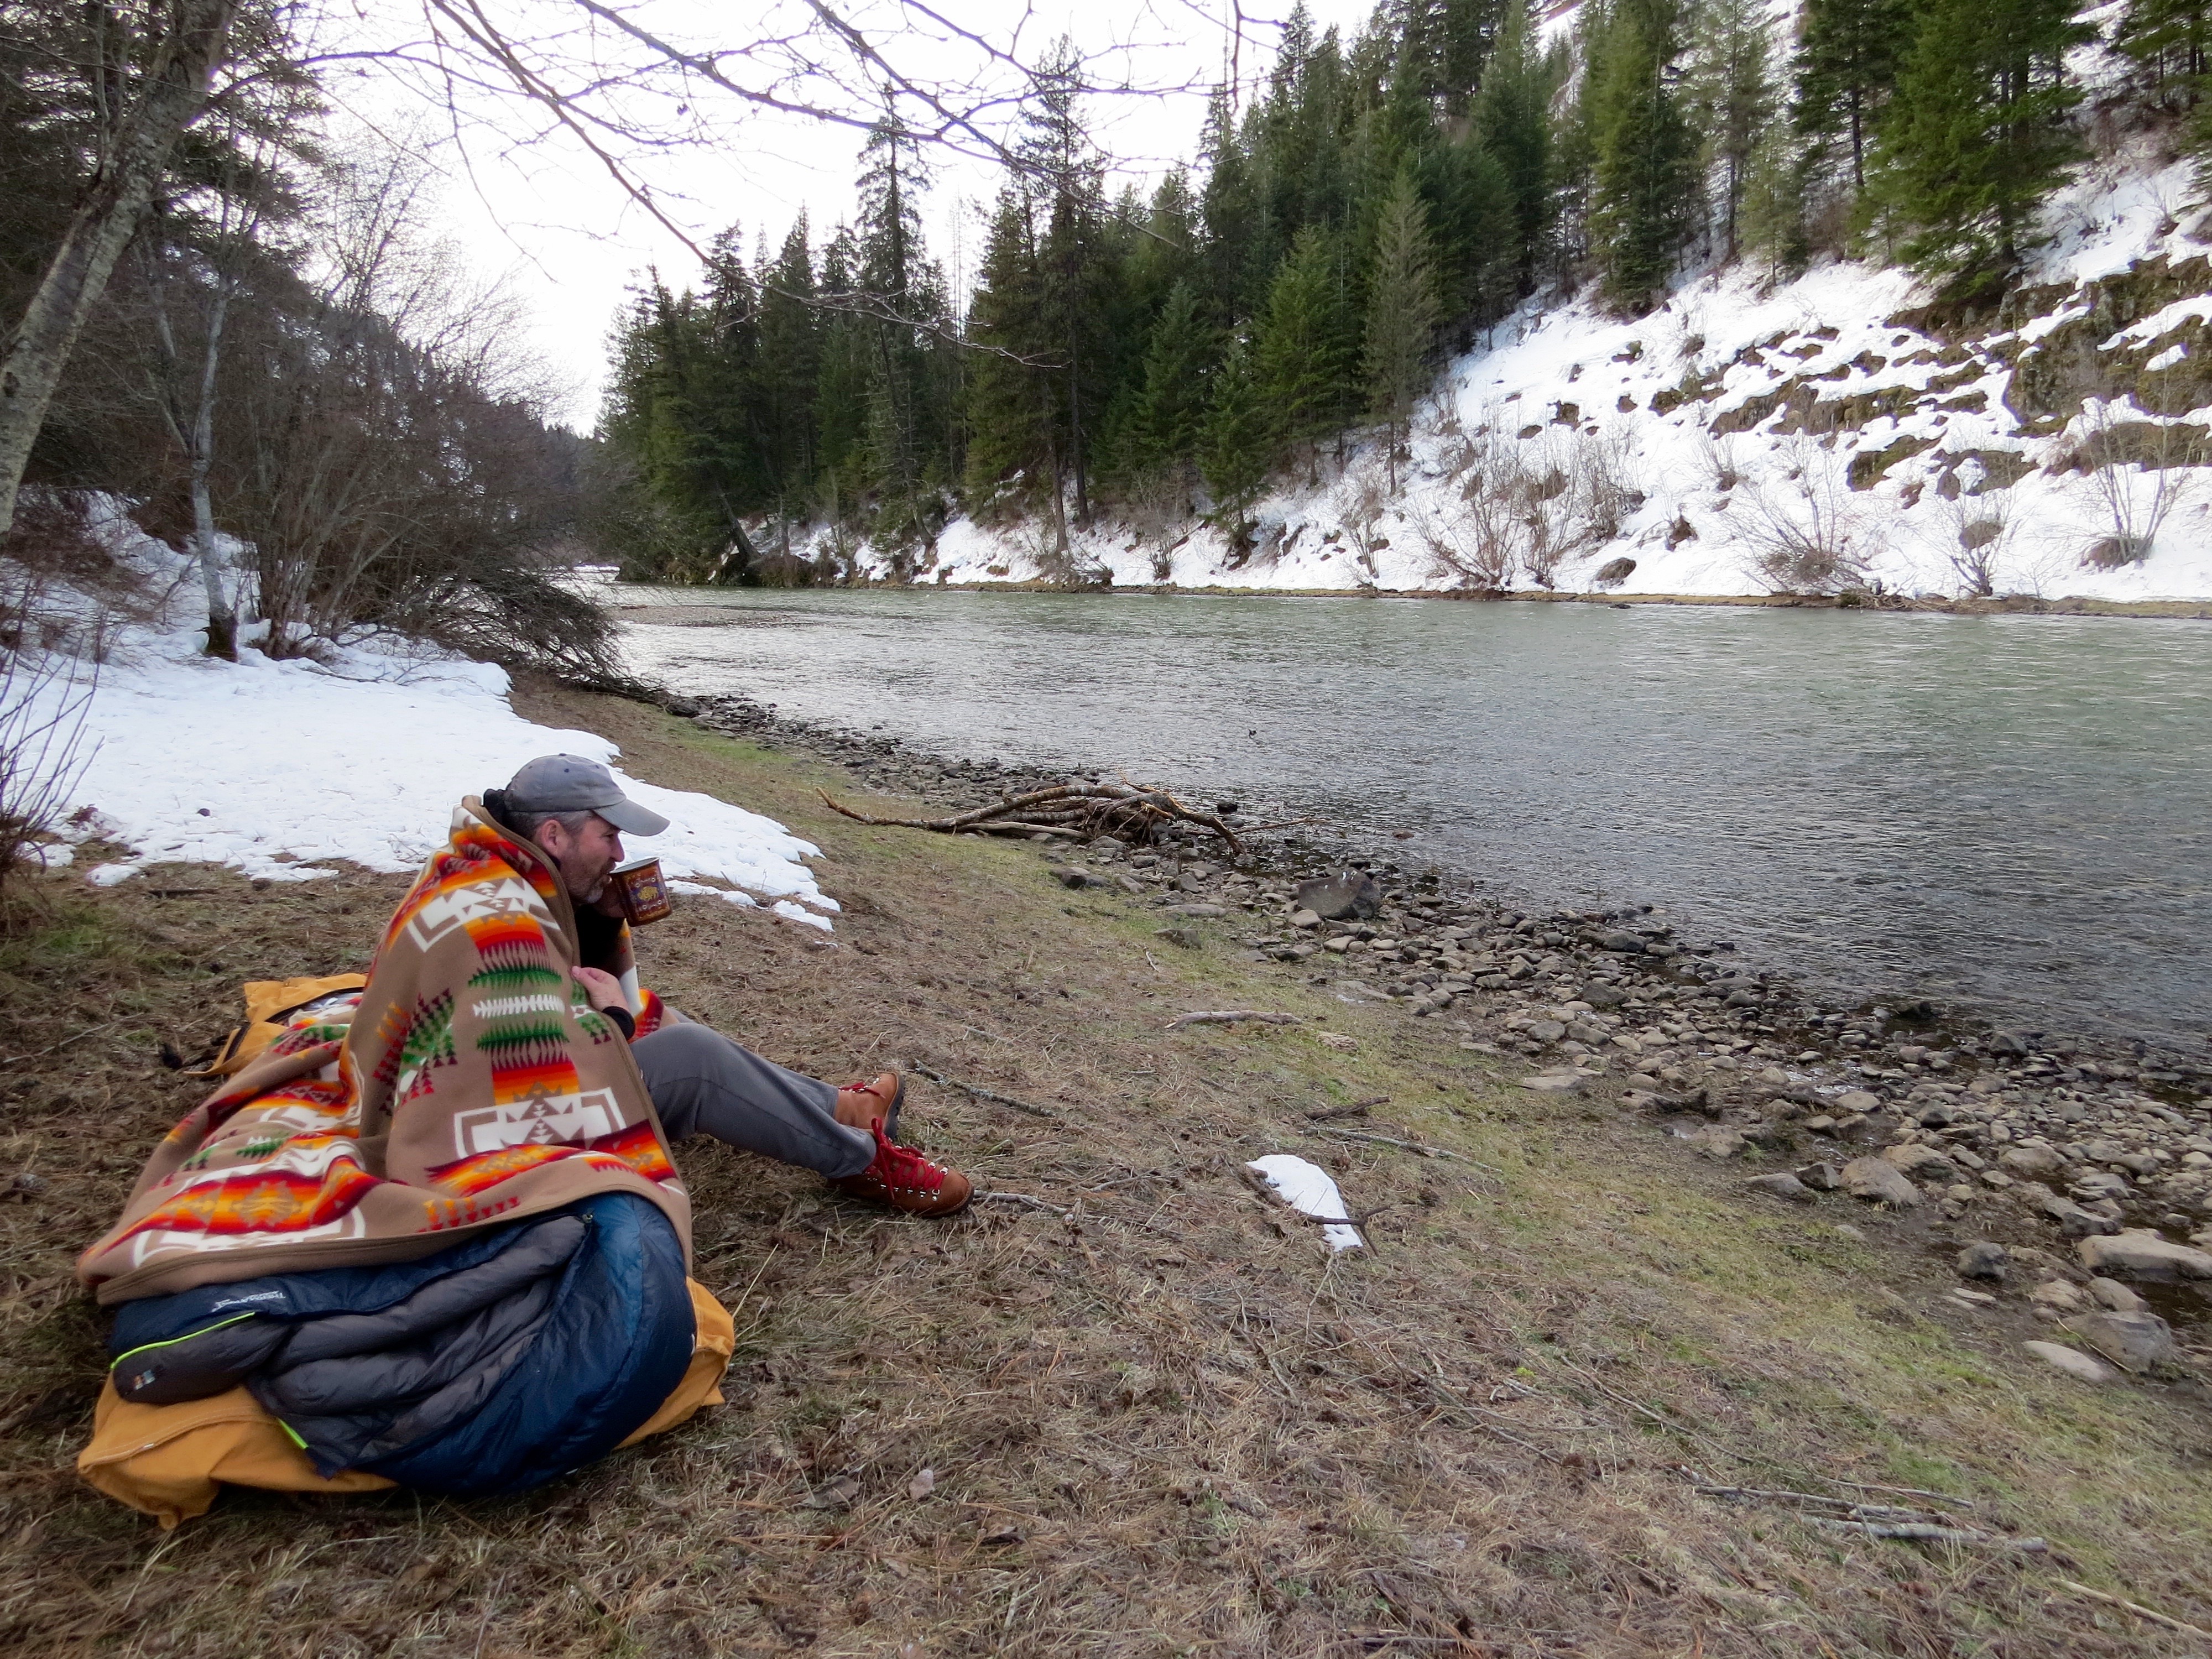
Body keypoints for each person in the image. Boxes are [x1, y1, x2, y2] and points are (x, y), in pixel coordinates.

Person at [478, 754, 972, 1218]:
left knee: (663, 1021)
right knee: (693, 1058)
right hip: (505, 1141)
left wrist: (599, 920)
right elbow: (532, 1072)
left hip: (516, 1106)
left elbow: (556, 985)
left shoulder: (503, 879)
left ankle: (846, 1109)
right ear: (553, 836)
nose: (620, 852)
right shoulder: (492, 924)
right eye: (607, 836)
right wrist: (613, 1019)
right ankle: (865, 1166)